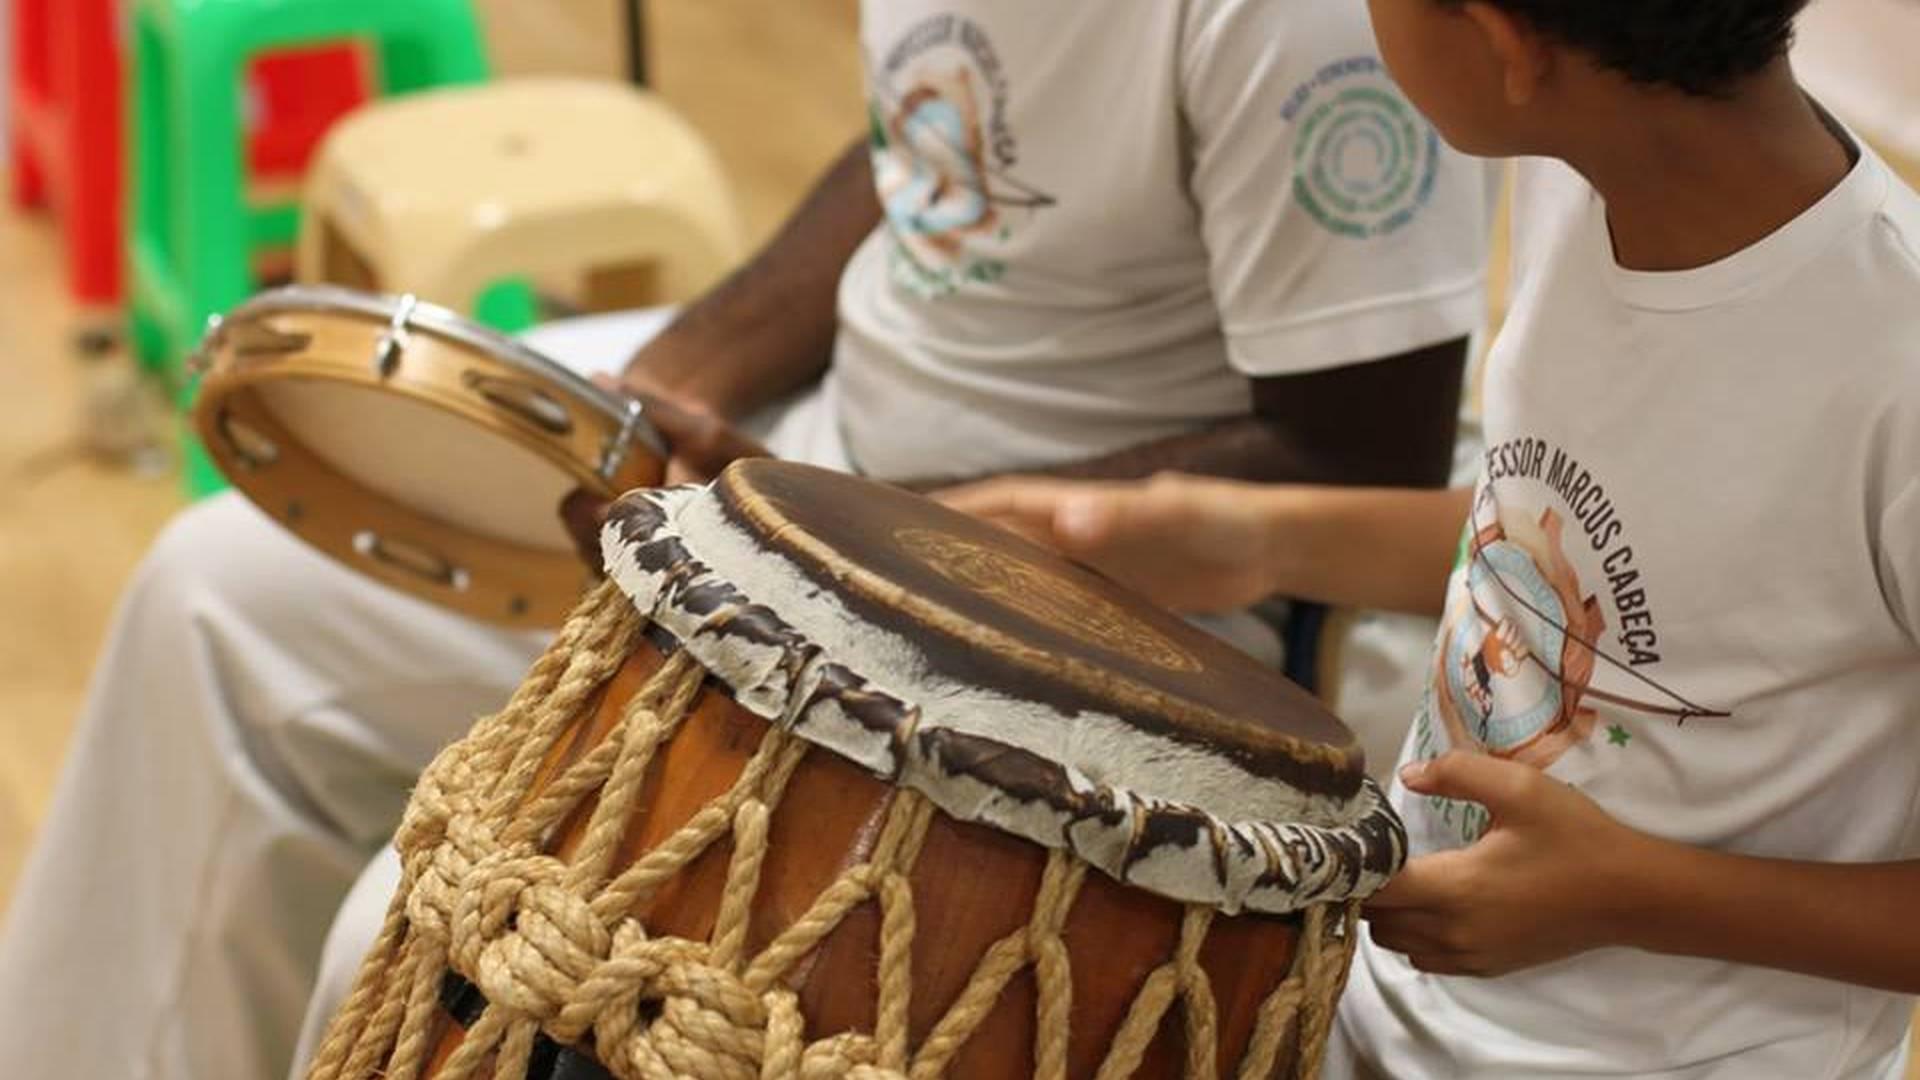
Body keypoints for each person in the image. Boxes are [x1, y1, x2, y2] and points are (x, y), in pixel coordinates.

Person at [0, 3, 1496, 1078]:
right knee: (215, 595)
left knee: (408, 944)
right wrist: (687, 373)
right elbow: (919, 143)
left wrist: (837, 535)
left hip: (1102, 611)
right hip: (836, 460)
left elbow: (1357, 448)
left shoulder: (1311, 25)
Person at [945, 0, 1920, 1075]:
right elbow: (1602, 547)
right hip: (1380, 1002)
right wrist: (1254, 537)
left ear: (1504, 43)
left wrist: (1632, 896)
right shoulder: (1580, 169)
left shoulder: (1892, 371)